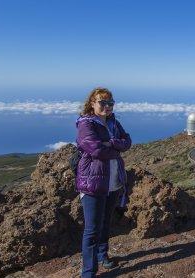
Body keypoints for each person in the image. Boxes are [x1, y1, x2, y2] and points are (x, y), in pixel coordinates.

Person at [75, 87, 131, 278]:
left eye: (110, 103)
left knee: (106, 223)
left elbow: (127, 141)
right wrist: (116, 147)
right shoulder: (86, 124)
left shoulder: (114, 121)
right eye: (102, 102)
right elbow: (95, 149)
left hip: (114, 180)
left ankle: (102, 256)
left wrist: (112, 143)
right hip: (93, 182)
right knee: (92, 230)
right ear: (92, 103)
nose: (107, 106)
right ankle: (88, 272)